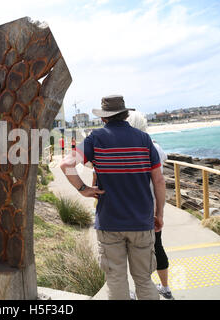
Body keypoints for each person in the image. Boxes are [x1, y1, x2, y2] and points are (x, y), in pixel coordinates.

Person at [60, 95, 166, 300]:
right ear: (125, 115)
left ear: (103, 118)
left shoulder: (96, 138)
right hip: (142, 221)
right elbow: (159, 181)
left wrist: (83, 189)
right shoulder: (144, 139)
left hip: (109, 221)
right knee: (144, 279)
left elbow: (66, 164)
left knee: (116, 279)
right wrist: (159, 213)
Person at [127, 111, 174, 300]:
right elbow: (159, 179)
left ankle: (142, 290)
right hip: (153, 205)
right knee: (157, 245)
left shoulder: (128, 150)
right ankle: (165, 288)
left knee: (135, 250)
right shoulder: (156, 147)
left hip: (133, 207)